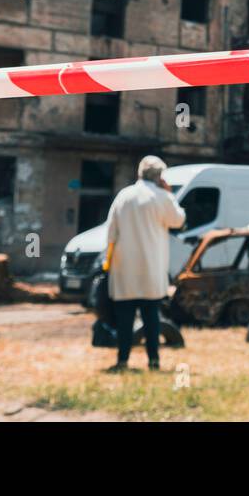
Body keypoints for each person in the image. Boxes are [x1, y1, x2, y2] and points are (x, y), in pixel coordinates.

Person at [101, 156, 185, 372]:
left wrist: (107, 262)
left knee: (124, 320)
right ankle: (153, 361)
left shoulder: (124, 196)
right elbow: (178, 220)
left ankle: (123, 360)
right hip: (151, 268)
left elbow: (110, 232)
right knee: (151, 319)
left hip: (124, 269)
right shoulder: (161, 197)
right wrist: (169, 194)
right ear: (159, 177)